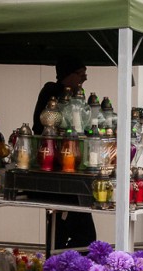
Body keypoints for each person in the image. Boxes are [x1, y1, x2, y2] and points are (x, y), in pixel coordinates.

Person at [32, 56, 96, 249]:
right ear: (68, 75)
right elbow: (40, 126)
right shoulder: (53, 93)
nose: (84, 77)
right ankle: (61, 269)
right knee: (65, 231)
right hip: (58, 171)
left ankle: (66, 268)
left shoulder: (76, 98)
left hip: (74, 173)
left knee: (81, 234)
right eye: (80, 73)